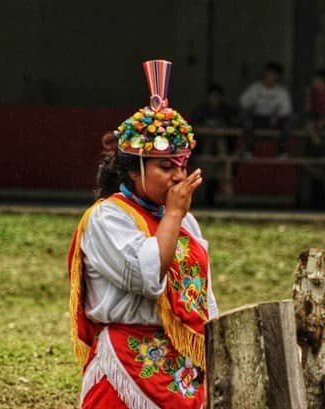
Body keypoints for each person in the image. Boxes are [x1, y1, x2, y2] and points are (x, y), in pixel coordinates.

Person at [68, 60, 217, 409]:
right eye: (165, 167)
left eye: (181, 166)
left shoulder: (185, 223)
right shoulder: (107, 218)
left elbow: (203, 296)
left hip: (182, 366)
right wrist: (176, 213)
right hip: (126, 361)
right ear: (134, 169)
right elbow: (148, 277)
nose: (177, 177)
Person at [239, 61, 293, 158]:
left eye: (272, 75)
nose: (268, 77)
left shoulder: (281, 91)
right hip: (257, 118)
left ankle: (282, 151)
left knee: (288, 121)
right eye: (267, 74)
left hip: (274, 121)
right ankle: (249, 150)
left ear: (277, 77)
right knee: (246, 119)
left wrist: (276, 114)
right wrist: (250, 107)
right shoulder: (255, 88)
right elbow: (244, 102)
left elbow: (287, 109)